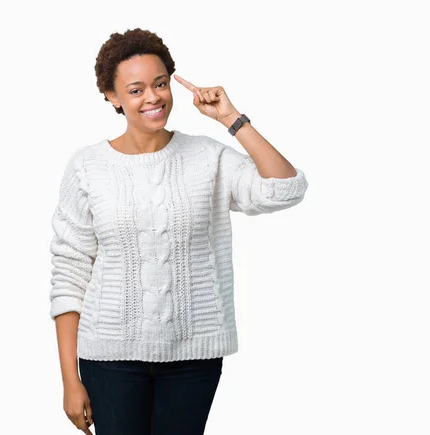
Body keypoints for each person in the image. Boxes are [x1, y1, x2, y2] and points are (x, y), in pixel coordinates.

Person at [48, 28, 309, 435]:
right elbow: (69, 272)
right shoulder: (87, 167)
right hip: (109, 357)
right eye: (135, 90)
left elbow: (285, 190)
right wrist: (69, 379)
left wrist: (231, 119)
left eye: (160, 84)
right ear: (112, 97)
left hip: (193, 359)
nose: (153, 97)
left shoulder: (208, 157)